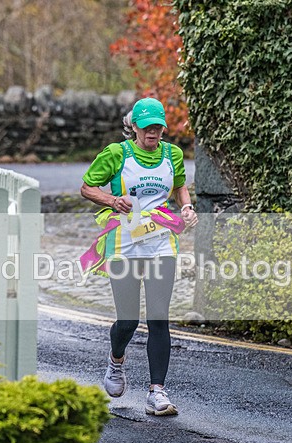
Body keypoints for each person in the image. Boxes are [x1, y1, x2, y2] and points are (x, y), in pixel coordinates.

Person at [80, 97, 198, 416]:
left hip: (160, 241)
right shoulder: (117, 154)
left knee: (159, 316)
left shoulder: (172, 154)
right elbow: (87, 188)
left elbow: (180, 187)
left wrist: (185, 207)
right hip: (124, 242)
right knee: (129, 319)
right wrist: (111, 200)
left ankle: (157, 392)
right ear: (133, 126)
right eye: (146, 128)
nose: (153, 134)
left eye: (158, 128)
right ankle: (116, 361)